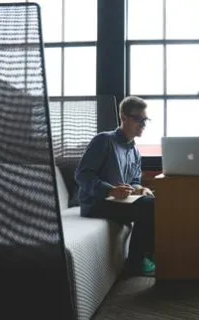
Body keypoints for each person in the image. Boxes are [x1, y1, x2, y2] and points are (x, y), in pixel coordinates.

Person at [74, 96, 155, 276]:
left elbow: (134, 181)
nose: (143, 124)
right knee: (152, 207)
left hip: (120, 202)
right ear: (123, 118)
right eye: (138, 119)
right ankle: (136, 263)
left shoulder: (135, 151)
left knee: (155, 201)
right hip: (96, 203)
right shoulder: (104, 140)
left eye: (145, 120)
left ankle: (144, 258)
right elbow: (82, 175)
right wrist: (110, 190)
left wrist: (140, 189)